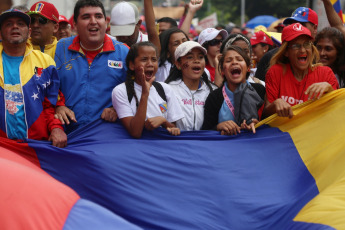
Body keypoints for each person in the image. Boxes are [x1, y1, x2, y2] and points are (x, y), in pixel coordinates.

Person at [54, 0, 129, 134]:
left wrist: (118, 108)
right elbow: (46, 86)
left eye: (98, 16)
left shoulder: (124, 53)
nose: (93, 21)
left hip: (106, 135)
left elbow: (136, 90)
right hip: (66, 134)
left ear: (106, 23)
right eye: (86, 17)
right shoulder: (59, 48)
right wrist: (58, 106)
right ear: (75, 25)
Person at [0, 9, 67, 147]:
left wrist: (56, 128)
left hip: (36, 146)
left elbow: (50, 105)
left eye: (20, 23)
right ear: (0, 32)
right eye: (8, 24)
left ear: (29, 32)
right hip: (3, 148)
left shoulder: (46, 62)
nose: (15, 27)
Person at [264, 23, 339, 118]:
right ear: (286, 51)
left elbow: (338, 111)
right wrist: (275, 104)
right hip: (284, 132)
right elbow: (265, 115)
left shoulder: (325, 74)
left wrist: (330, 89)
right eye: (296, 45)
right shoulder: (276, 72)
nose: (303, 50)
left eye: (307, 44)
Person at [112, 42, 184, 138]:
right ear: (132, 65)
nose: (150, 64)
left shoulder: (165, 89)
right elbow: (135, 132)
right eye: (144, 59)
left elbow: (173, 128)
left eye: (154, 59)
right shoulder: (121, 91)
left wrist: (163, 121)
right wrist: (145, 94)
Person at [201, 45, 265, 135]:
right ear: (222, 70)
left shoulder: (260, 91)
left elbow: (270, 123)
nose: (234, 62)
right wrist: (219, 127)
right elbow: (205, 132)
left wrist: (258, 124)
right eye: (228, 60)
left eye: (239, 59)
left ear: (247, 68)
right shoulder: (214, 97)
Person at [255, 7, 318, 82]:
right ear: (286, 53)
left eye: (302, 25)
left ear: (314, 28)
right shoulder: (269, 58)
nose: (297, 29)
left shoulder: (321, 58)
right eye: (293, 24)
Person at [165, 41, 217, 131]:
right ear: (178, 64)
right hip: (177, 142)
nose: (196, 61)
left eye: (200, 57)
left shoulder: (213, 91)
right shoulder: (168, 90)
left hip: (205, 143)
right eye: (190, 57)